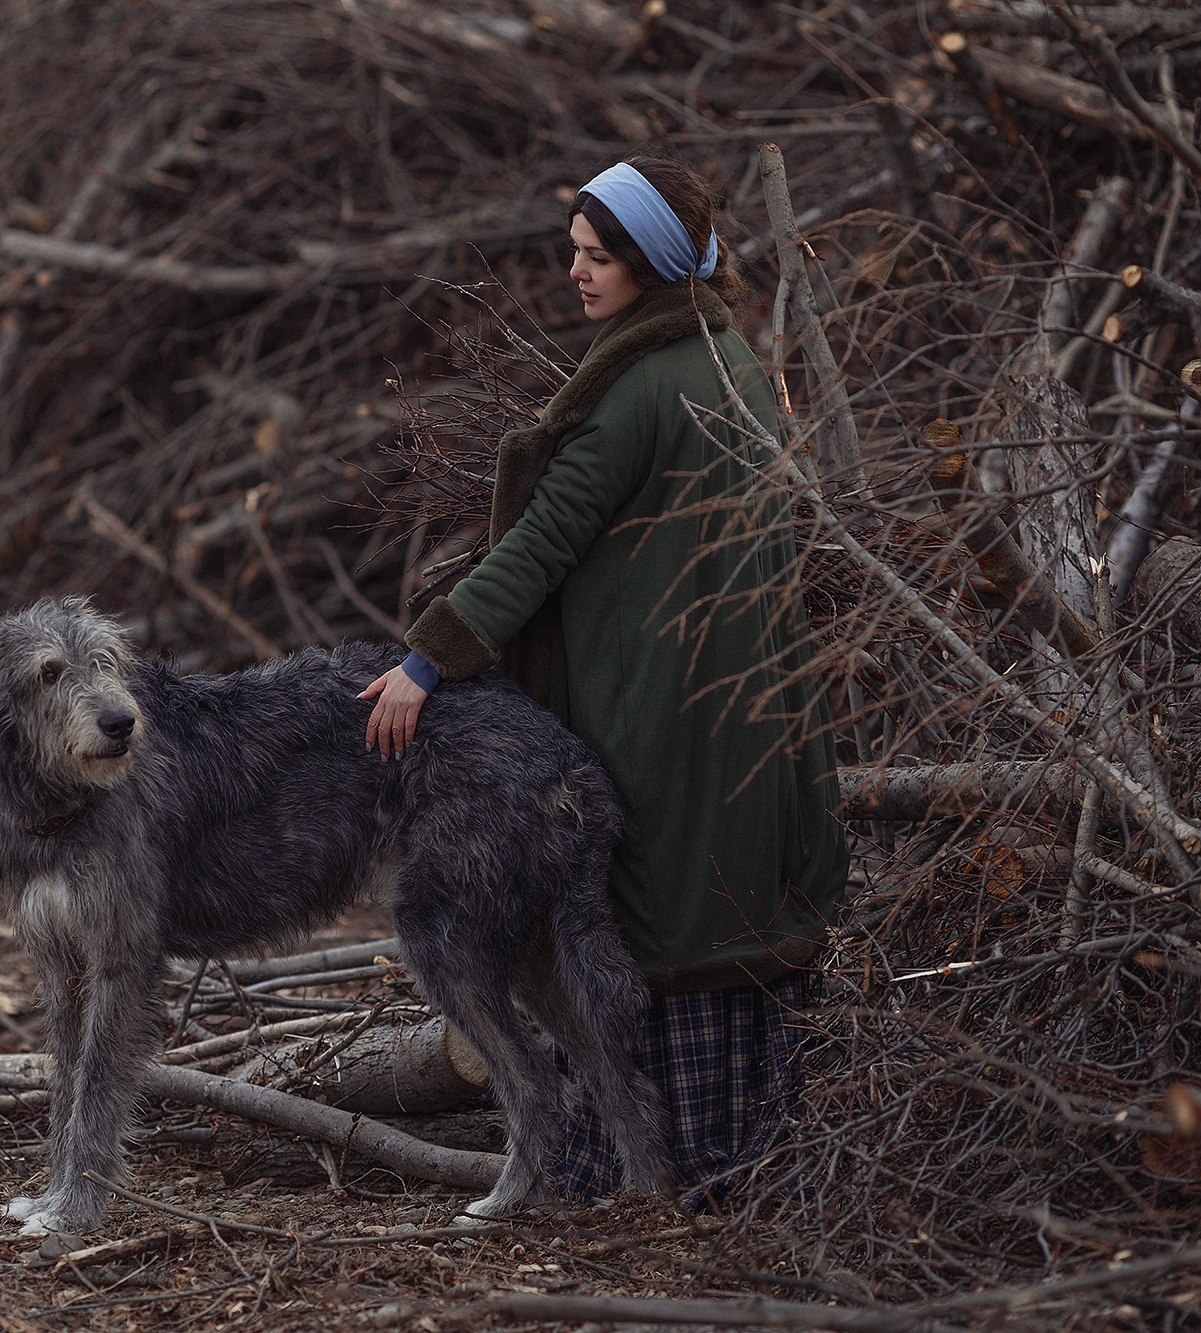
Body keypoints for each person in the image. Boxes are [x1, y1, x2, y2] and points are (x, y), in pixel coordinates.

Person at [358, 157, 849, 1207]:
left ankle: (631, 1169)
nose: (575, 274)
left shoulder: (640, 390)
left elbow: (539, 543)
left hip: (659, 703)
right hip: (739, 700)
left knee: (650, 911)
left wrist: (425, 660)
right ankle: (730, 1156)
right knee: (717, 912)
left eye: (596, 257)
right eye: (574, 253)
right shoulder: (731, 363)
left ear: (650, 264)